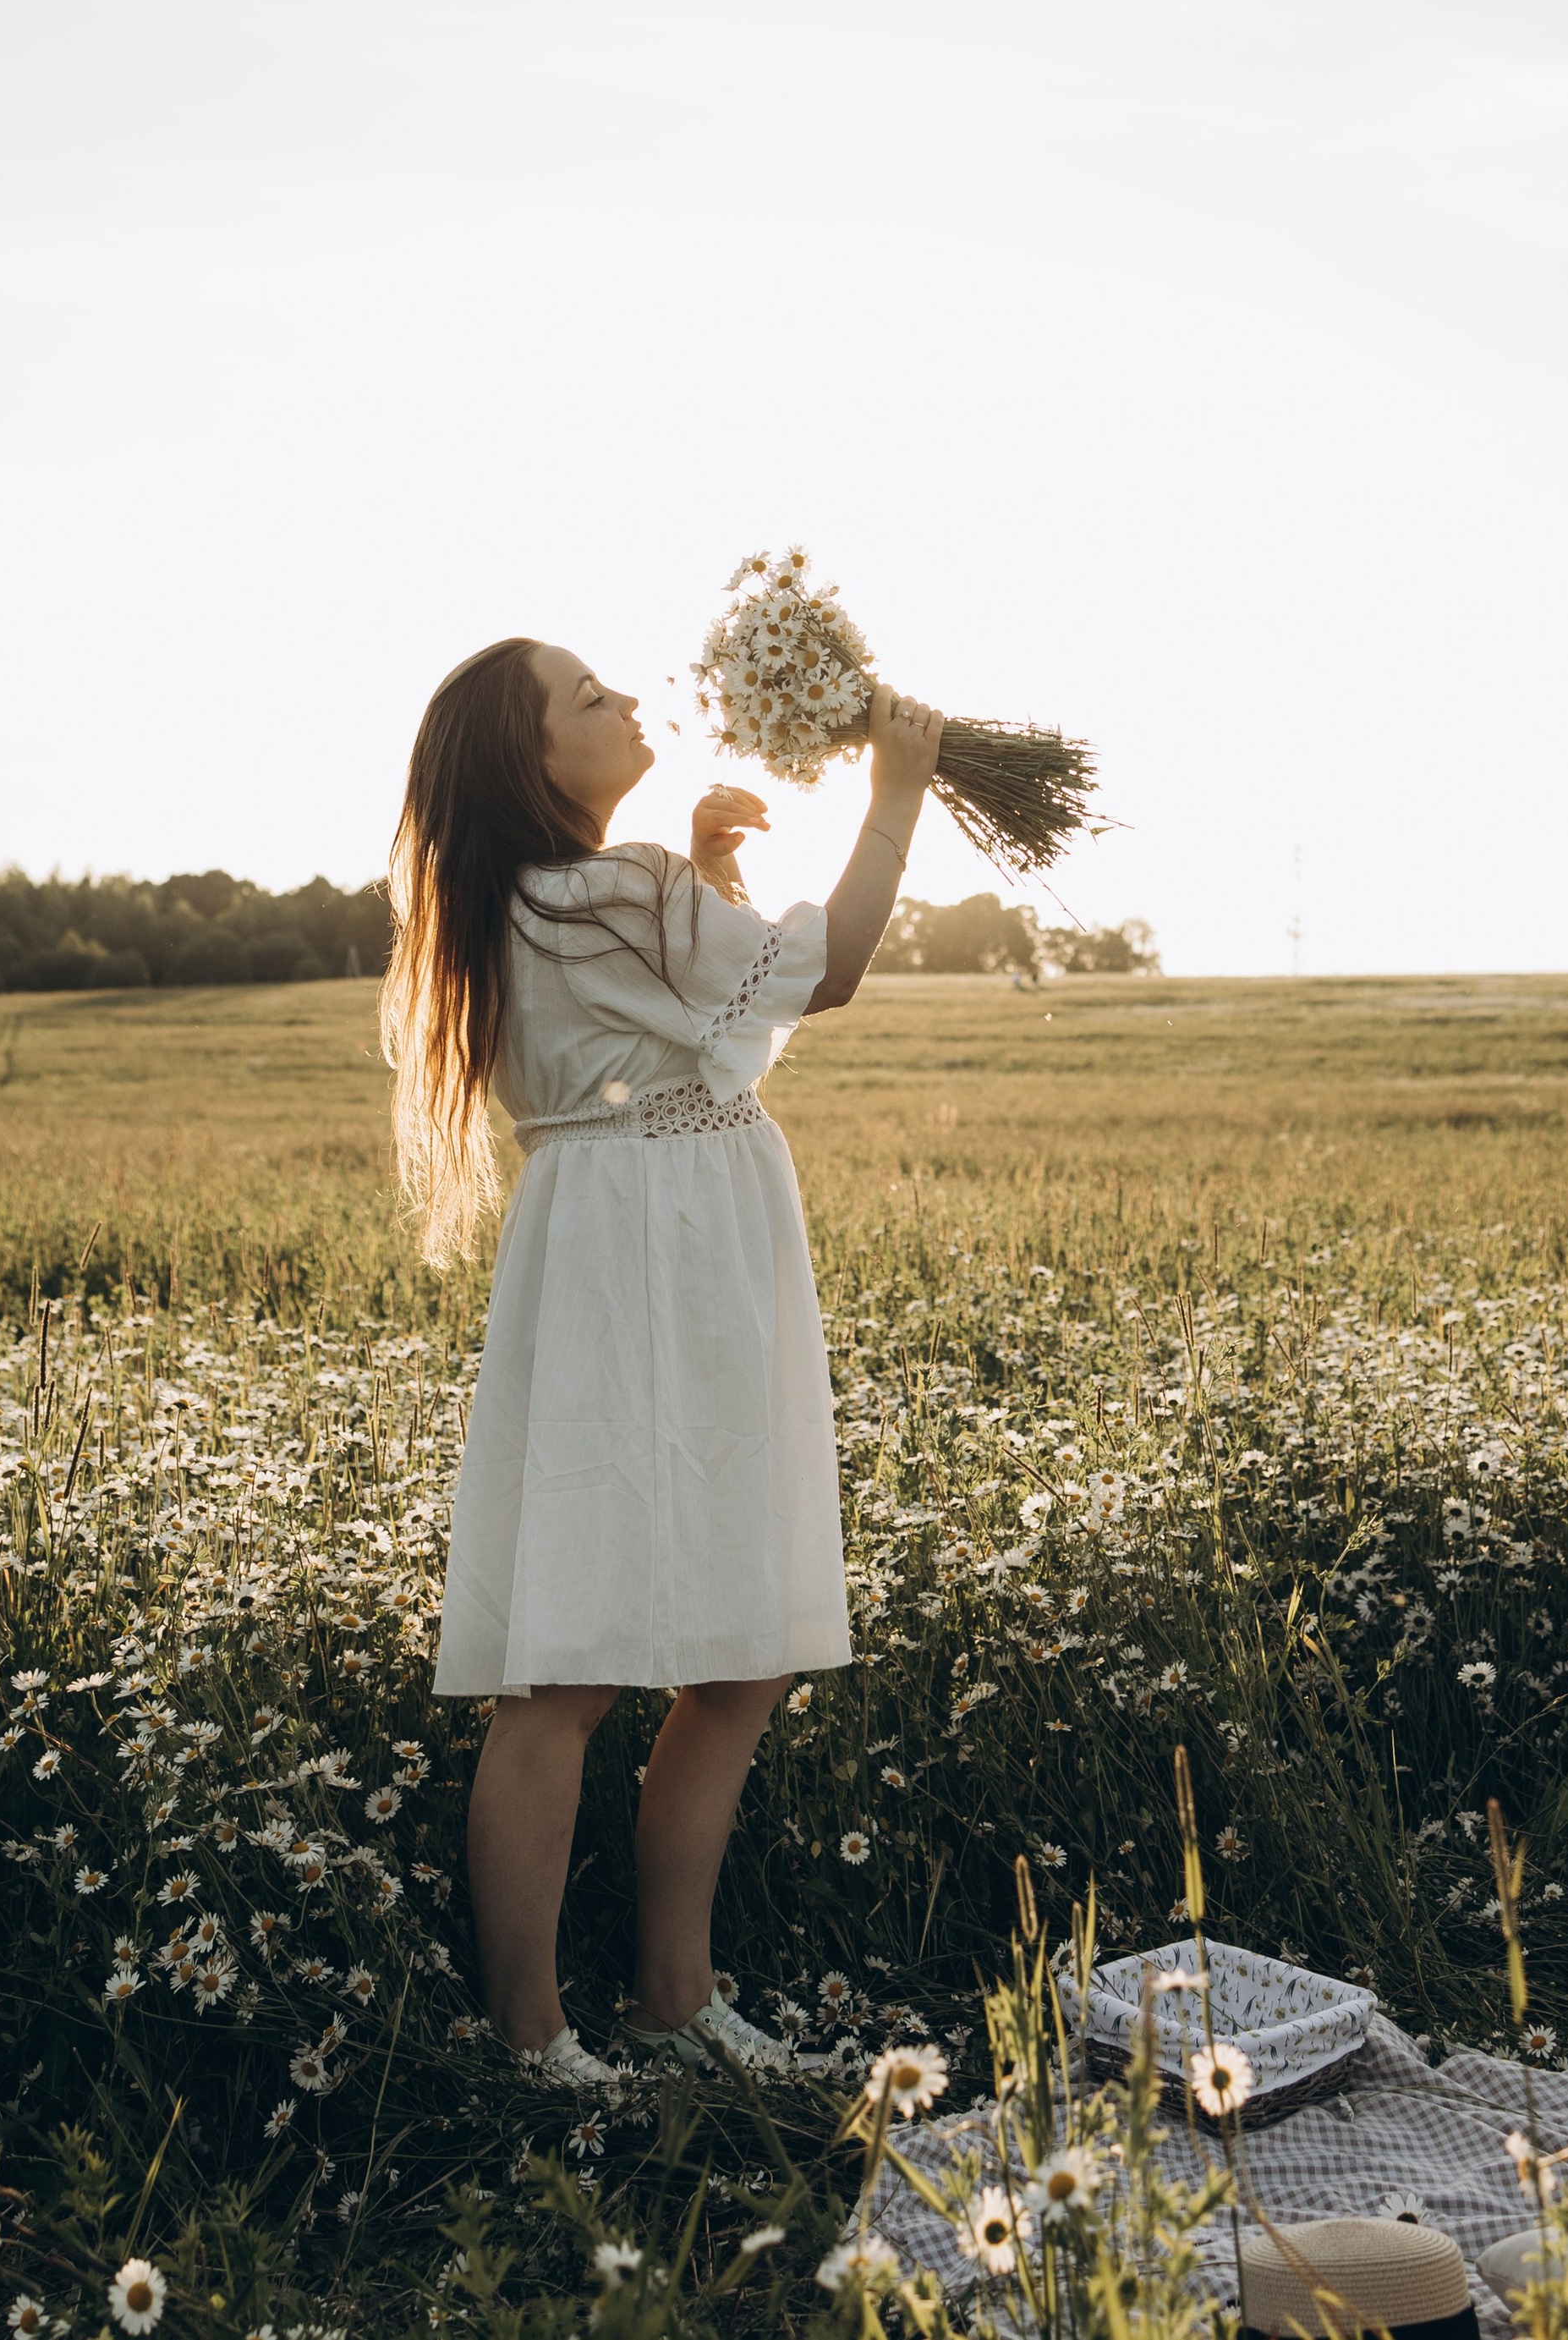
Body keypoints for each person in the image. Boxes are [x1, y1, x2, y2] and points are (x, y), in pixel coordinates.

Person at [382, 637, 943, 2083]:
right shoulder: (616, 889)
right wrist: (897, 791)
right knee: (625, 1665)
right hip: (674, 1268)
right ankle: (560, 2033)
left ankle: (654, 2009)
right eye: (587, 697)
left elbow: (699, 1044)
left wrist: (706, 875)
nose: (627, 700)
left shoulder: (546, 904)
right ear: (528, 762)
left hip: (610, 1260)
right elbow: (826, 978)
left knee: (658, 1658)